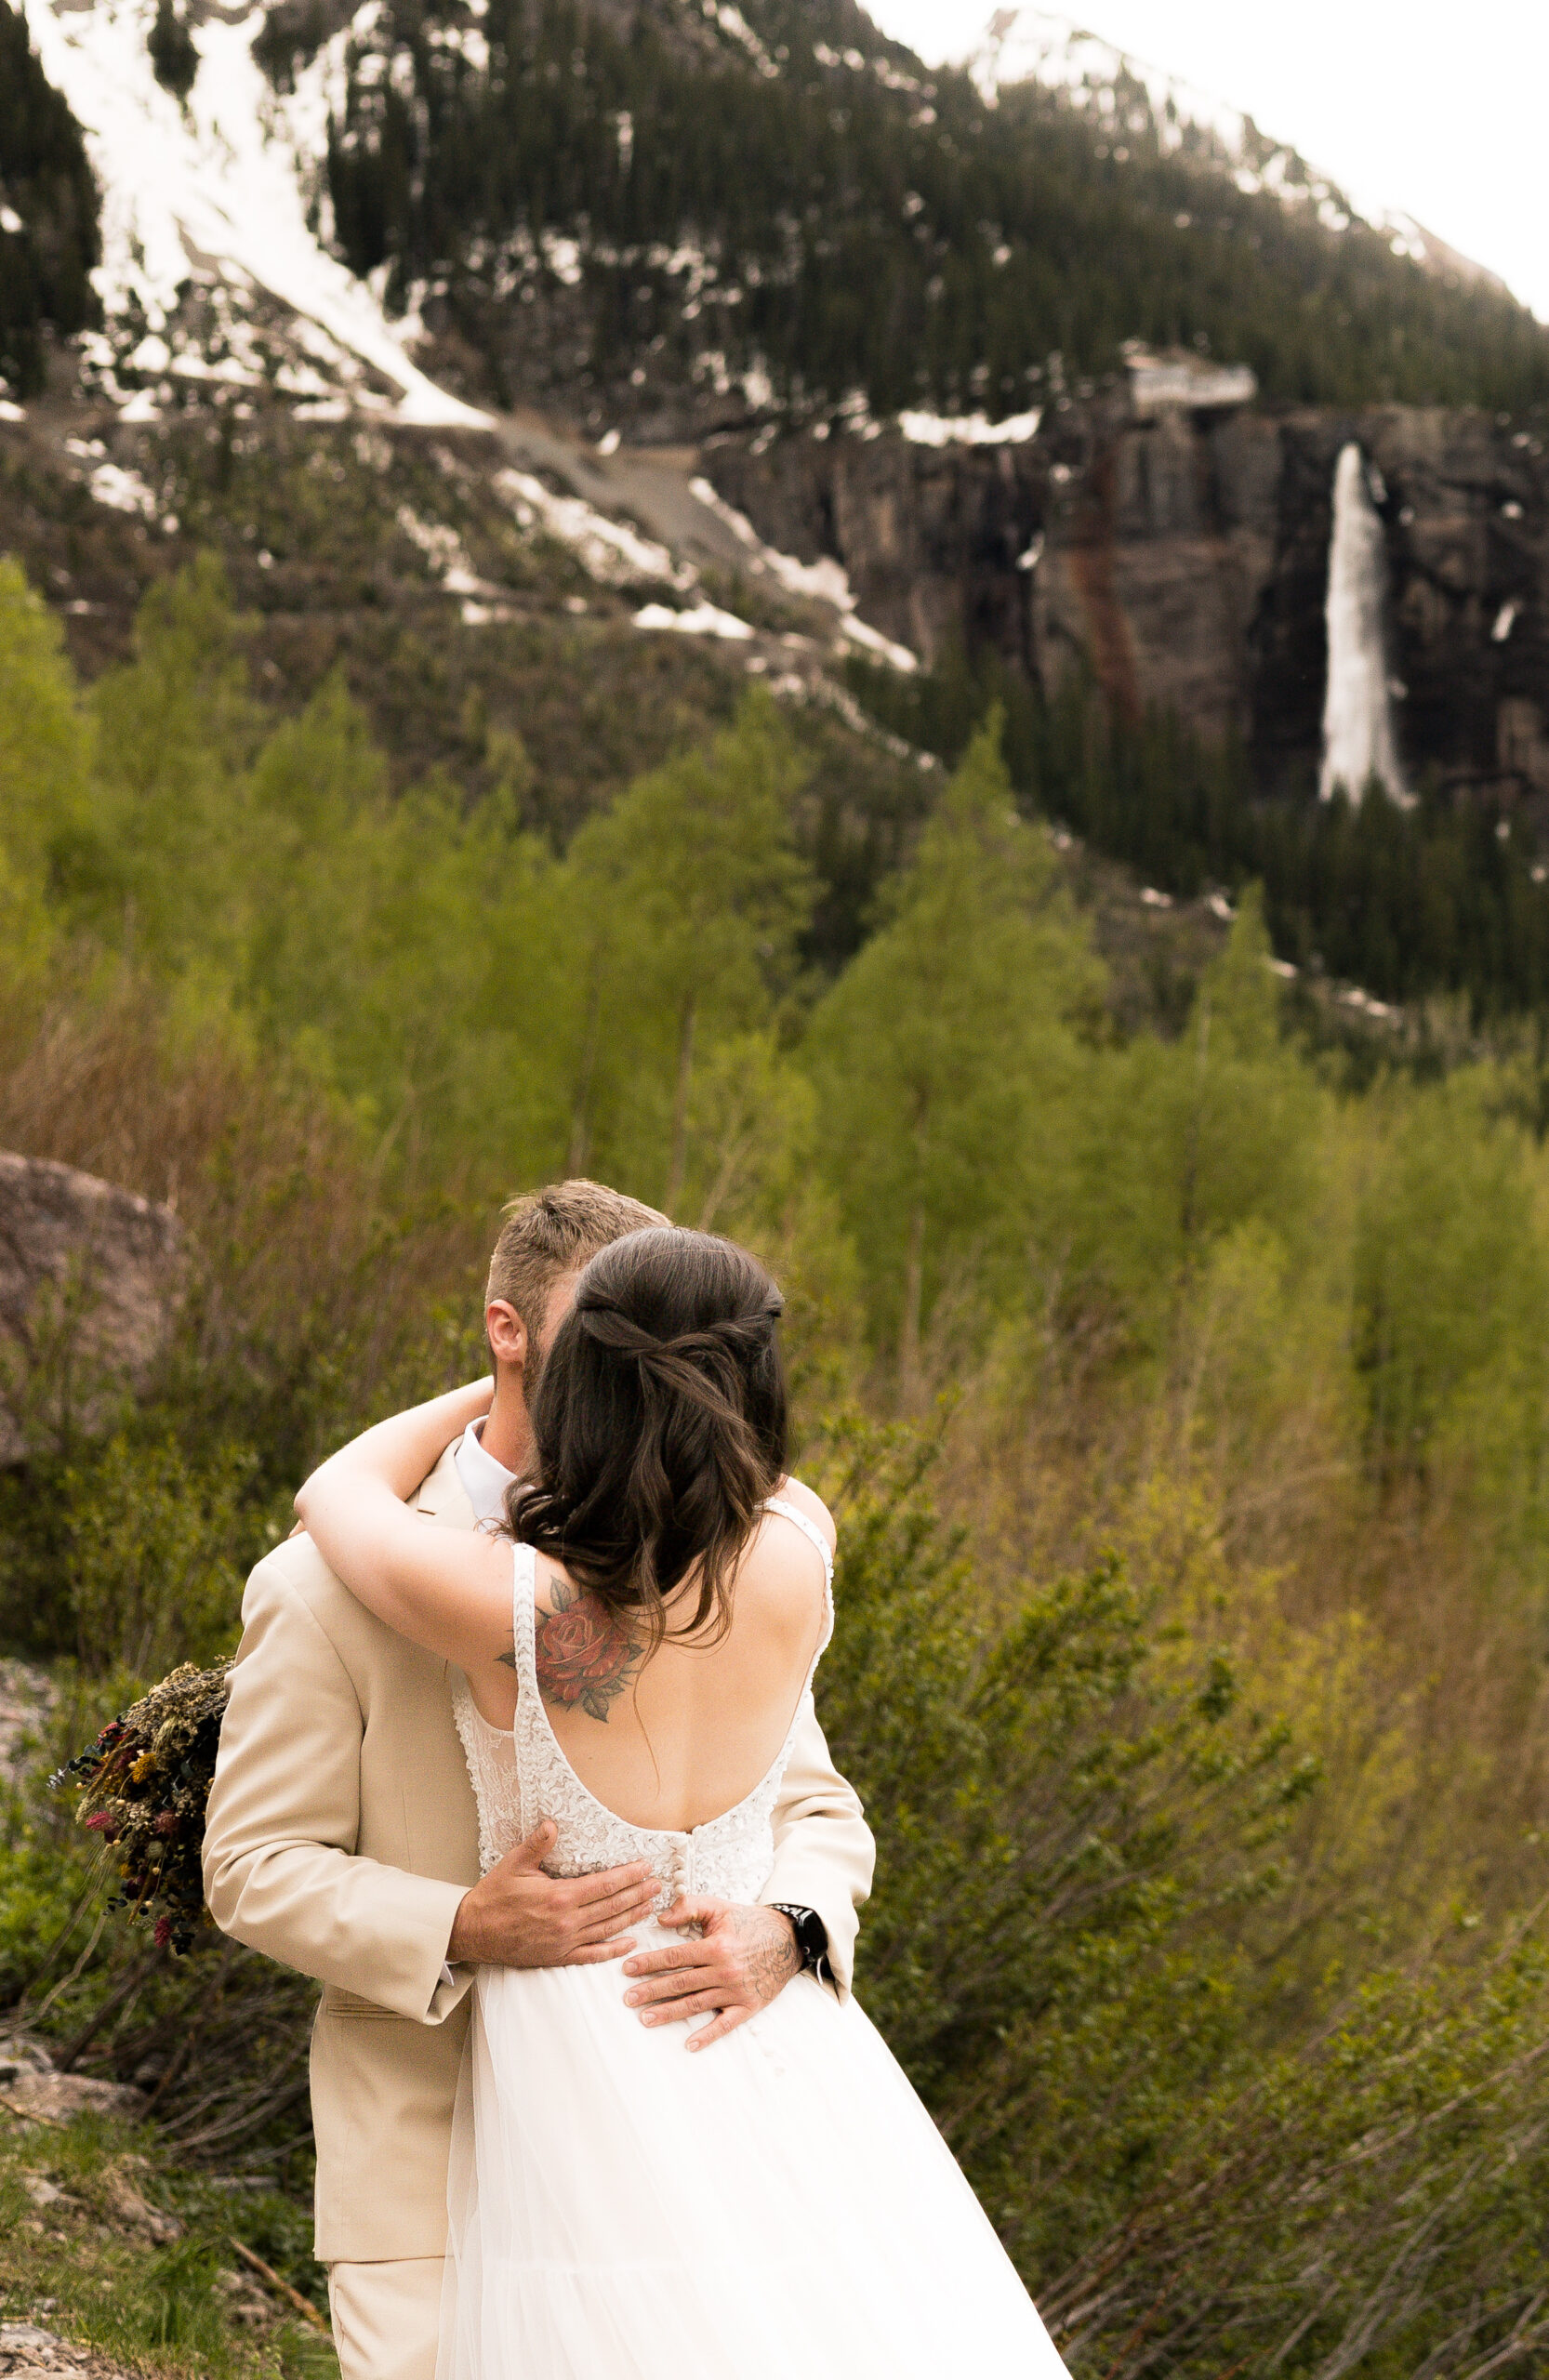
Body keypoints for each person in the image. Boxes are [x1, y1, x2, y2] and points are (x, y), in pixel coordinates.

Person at [294, 1223, 1071, 2378]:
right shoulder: (802, 1544)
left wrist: (493, 1370)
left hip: (583, 2057)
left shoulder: (519, 1607)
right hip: (772, 2052)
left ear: (586, 1390)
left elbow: (334, 1489)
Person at [203, 1183, 874, 2380]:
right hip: (429, 2162)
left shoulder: (712, 1570)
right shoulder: (321, 1589)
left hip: (702, 2158)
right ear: (508, 1332)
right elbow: (252, 1867)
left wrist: (790, 1926)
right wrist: (460, 1922)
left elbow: (813, 1804)